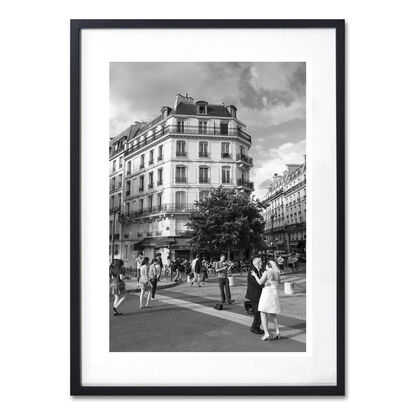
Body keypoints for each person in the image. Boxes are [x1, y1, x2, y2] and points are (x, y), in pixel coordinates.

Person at [254, 260, 282, 341]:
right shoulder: (277, 273)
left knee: (263, 312)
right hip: (274, 293)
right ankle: (277, 332)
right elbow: (278, 283)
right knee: (273, 313)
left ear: (267, 266)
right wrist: (270, 283)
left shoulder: (266, 272)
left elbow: (260, 282)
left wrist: (255, 275)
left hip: (267, 292)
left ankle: (266, 334)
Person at [245, 257, 264, 335]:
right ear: (258, 263)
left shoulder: (257, 270)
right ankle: (254, 327)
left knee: (259, 311)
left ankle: (256, 326)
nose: (262, 263)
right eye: (261, 262)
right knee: (258, 312)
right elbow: (258, 283)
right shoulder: (253, 271)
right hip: (254, 295)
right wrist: (265, 286)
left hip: (256, 295)